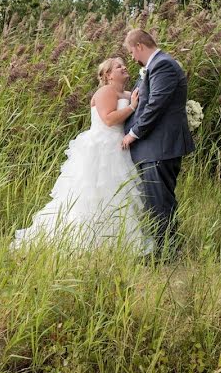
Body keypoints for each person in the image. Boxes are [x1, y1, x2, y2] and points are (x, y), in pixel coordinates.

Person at [11, 58, 153, 252]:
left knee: (118, 197)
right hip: (102, 148)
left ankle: (115, 244)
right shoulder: (105, 91)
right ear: (108, 75)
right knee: (94, 195)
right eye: (118, 66)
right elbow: (109, 119)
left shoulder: (128, 93)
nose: (124, 67)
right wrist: (132, 107)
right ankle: (80, 241)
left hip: (120, 148)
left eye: (123, 64)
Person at [121, 29, 195, 258]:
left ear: (140, 46)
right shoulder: (154, 67)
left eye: (132, 51)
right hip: (155, 147)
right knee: (157, 200)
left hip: (160, 147)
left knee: (160, 201)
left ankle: (165, 253)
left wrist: (133, 133)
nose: (132, 58)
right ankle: (165, 248)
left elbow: (155, 105)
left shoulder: (163, 65)